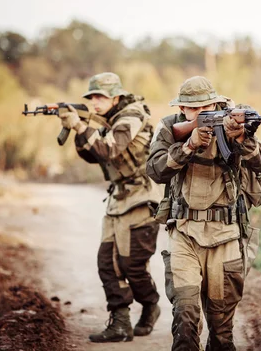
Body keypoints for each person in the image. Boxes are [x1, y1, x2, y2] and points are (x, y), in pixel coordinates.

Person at [146, 76, 261, 350]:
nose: (201, 113)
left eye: (207, 106)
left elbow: (259, 166)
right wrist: (188, 146)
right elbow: (154, 170)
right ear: (183, 109)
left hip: (225, 235)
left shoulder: (236, 122)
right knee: (186, 318)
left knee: (222, 331)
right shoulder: (168, 127)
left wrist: (242, 138)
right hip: (185, 232)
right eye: (194, 109)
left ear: (216, 102)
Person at [58, 72, 163, 343]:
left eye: (100, 96)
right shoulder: (107, 120)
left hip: (141, 197)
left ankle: (150, 305)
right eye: (91, 96)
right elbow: (92, 156)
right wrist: (78, 128)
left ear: (115, 96)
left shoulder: (131, 116)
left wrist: (82, 128)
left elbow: (109, 150)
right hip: (117, 199)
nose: (94, 101)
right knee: (106, 262)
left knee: (133, 265)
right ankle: (120, 322)